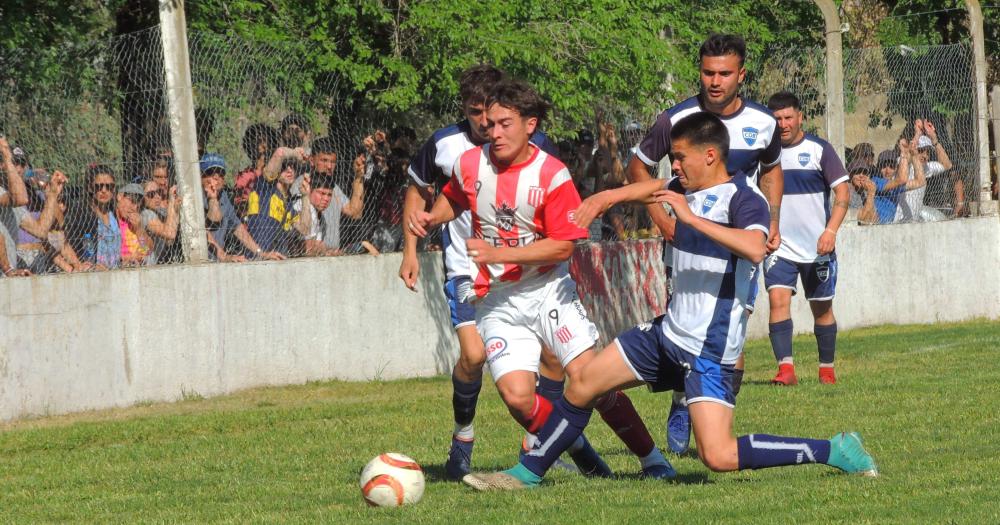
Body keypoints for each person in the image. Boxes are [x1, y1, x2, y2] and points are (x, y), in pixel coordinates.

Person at [461, 112, 877, 491]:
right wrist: (606, 198)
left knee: (718, 456)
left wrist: (692, 219)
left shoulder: (743, 198)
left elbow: (754, 248)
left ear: (710, 155)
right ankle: (527, 473)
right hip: (667, 334)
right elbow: (655, 186)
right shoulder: (684, 185)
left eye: (679, 157)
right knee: (584, 382)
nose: (673, 166)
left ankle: (833, 449)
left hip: (707, 351)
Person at [409, 78, 675, 482]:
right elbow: (457, 195)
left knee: (593, 383)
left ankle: (653, 460)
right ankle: (573, 445)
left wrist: (502, 254)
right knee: (517, 397)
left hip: (550, 293)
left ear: (530, 124)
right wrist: (432, 218)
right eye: (489, 123)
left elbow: (562, 249)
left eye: (504, 123)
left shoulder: (551, 174)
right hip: (497, 298)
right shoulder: (469, 163)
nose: (493, 131)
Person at [626, 34, 784, 455]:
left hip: (738, 242)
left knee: (732, 333)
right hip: (688, 244)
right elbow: (637, 167)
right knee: (687, 322)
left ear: (741, 75)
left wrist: (772, 220)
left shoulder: (764, 122)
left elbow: (770, 172)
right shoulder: (676, 118)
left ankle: (714, 425)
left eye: (724, 73)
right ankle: (682, 398)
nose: (715, 82)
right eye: (708, 72)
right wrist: (662, 220)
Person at [764, 91, 850, 385]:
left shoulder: (819, 150)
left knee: (822, 308)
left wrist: (831, 231)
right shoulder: (764, 155)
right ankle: (785, 370)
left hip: (817, 248)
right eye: (777, 119)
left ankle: (826, 370)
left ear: (800, 117)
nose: (783, 124)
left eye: (788, 117)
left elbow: (842, 192)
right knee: (777, 300)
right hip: (779, 246)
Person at [199, 153, 281, 262]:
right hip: (199, 261)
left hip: (216, 263)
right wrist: (223, 256)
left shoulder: (223, 196)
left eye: (220, 172)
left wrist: (261, 253)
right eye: (210, 172)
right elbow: (202, 232)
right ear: (200, 177)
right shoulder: (195, 198)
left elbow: (237, 227)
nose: (216, 177)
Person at [65, 164, 123, 270]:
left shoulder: (114, 212)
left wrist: (124, 259)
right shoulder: (80, 212)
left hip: (115, 273)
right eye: (98, 186)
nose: (104, 190)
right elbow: (66, 241)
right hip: (92, 273)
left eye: (109, 186)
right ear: (90, 187)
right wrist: (79, 264)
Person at [896, 119, 950, 223]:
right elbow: (907, 156)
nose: (925, 155)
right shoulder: (904, 163)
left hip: (914, 220)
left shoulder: (926, 168)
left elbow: (947, 165)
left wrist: (934, 139)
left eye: (927, 152)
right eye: (921, 151)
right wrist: (917, 134)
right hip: (898, 220)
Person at [291, 174, 341, 257]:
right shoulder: (304, 207)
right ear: (310, 191)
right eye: (321, 193)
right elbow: (308, 250)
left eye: (329, 195)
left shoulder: (319, 214)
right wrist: (326, 252)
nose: (326, 199)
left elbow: (318, 245)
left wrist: (325, 251)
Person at [140, 179, 180, 265]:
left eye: (159, 192)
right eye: (151, 194)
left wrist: (175, 209)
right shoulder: (146, 214)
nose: (157, 196)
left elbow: (170, 240)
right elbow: (170, 233)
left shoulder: (159, 213)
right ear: (142, 198)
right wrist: (171, 201)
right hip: (147, 266)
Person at [116, 183, 154, 267]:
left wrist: (139, 229)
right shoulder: (111, 220)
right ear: (119, 196)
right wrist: (128, 257)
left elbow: (148, 249)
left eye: (138, 204)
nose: (135, 208)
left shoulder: (132, 223)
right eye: (132, 201)